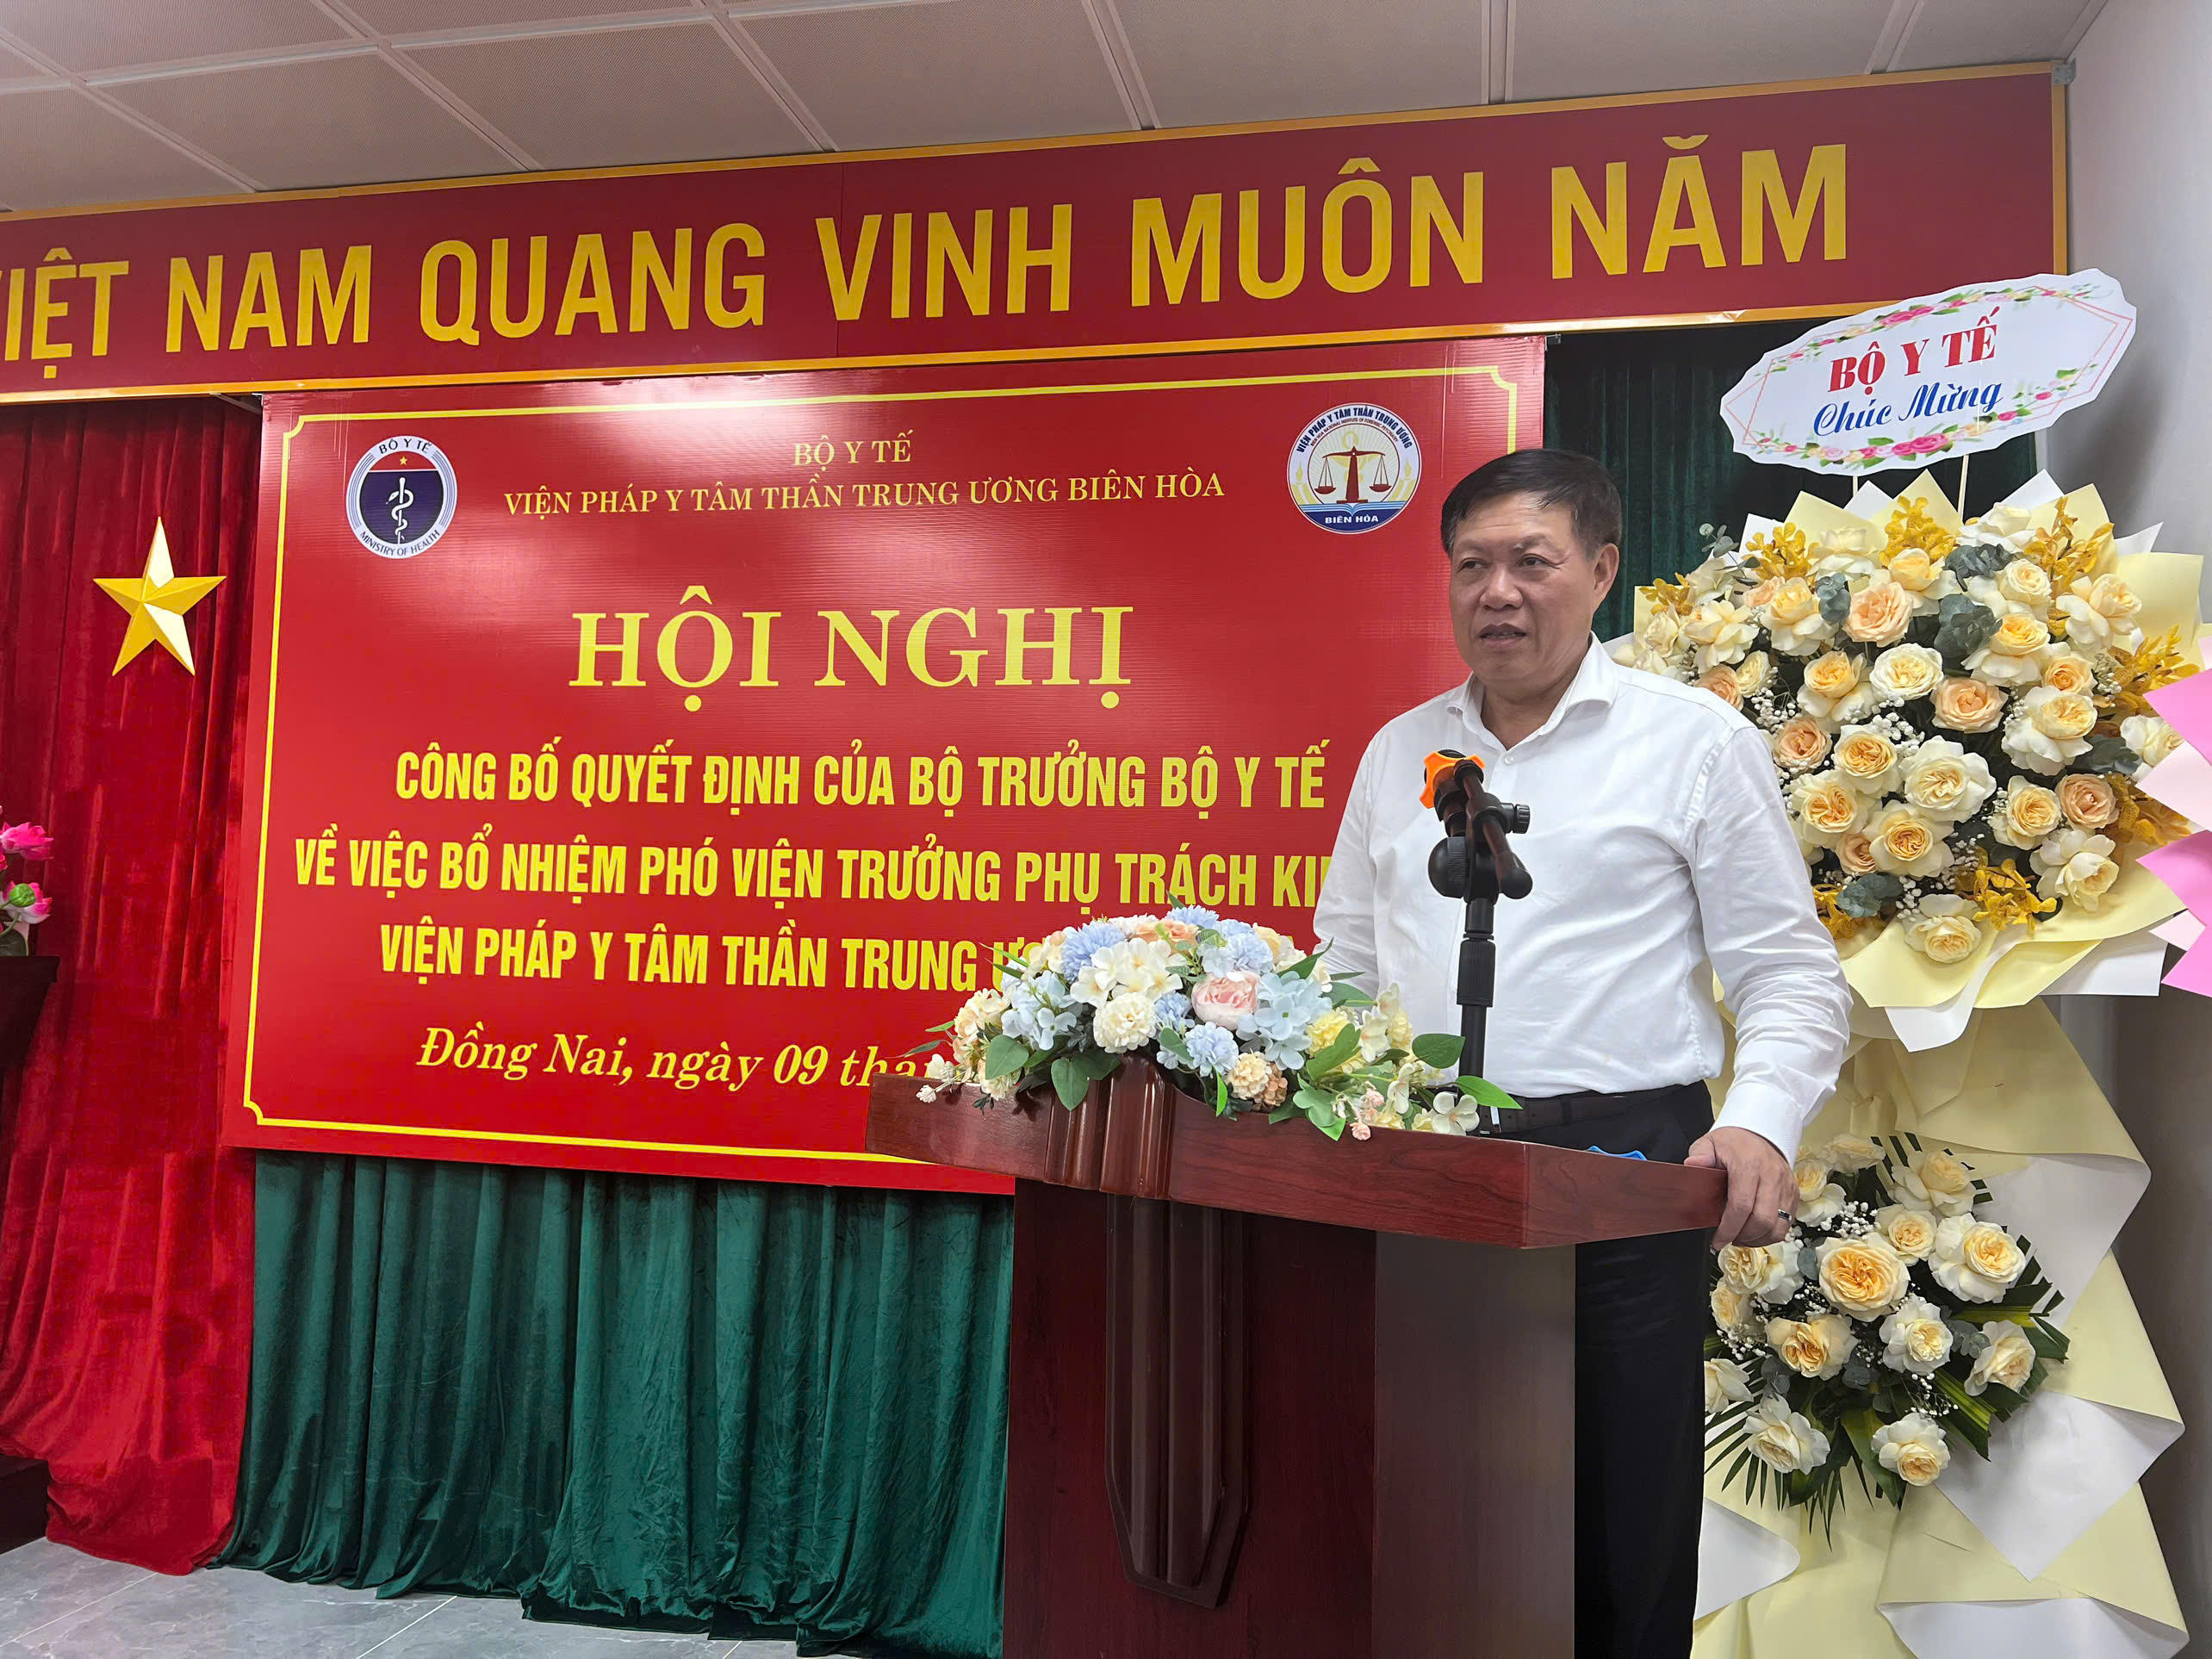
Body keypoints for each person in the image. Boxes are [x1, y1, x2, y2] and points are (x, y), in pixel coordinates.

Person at [1312, 448, 1852, 1659]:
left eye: (1531, 562)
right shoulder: (1400, 751)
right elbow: (1343, 960)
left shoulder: (1693, 743)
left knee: (1618, 1513)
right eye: (1471, 566)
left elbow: (1788, 970)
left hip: (1621, 1164)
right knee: (1421, 1507)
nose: (1496, 591)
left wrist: (1760, 1119)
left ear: (1603, 571)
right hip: (1421, 1161)